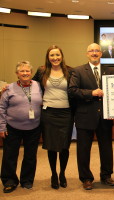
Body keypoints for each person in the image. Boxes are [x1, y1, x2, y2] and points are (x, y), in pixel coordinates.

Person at [68, 43, 114, 190]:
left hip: (105, 117)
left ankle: (106, 176)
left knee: (106, 148)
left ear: (101, 53)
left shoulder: (110, 71)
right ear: (87, 54)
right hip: (85, 116)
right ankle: (86, 178)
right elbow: (72, 91)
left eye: (97, 51)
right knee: (83, 149)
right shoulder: (77, 71)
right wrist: (91, 93)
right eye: (91, 51)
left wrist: (113, 111)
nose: (94, 53)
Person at [32, 45, 74, 190]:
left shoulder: (70, 71)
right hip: (48, 113)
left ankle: (62, 173)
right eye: (52, 55)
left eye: (57, 55)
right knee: (51, 146)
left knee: (64, 146)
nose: (55, 58)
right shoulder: (42, 70)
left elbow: (76, 88)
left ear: (61, 56)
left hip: (66, 113)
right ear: (48, 57)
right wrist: (10, 87)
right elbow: (30, 84)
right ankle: (53, 174)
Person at [0, 61, 43, 193]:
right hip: (13, 127)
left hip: (34, 127)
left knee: (30, 156)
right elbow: (1, 108)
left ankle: (27, 180)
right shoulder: (9, 88)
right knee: (10, 156)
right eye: (22, 71)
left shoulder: (38, 85)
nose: (25, 73)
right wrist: (2, 127)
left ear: (31, 73)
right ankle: (9, 181)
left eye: (27, 71)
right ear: (17, 73)